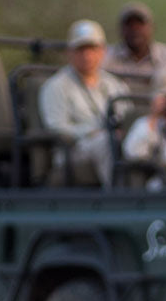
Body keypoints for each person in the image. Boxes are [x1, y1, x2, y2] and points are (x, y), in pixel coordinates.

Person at [38, 19, 128, 186]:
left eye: (92, 49)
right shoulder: (56, 86)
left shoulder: (115, 85)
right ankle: (119, 199)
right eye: (80, 50)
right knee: (105, 143)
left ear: (102, 51)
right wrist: (92, 131)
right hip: (74, 150)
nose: (87, 56)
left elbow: (126, 115)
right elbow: (57, 128)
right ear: (69, 53)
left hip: (111, 139)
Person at [103, 1, 166, 96]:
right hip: (114, 110)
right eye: (129, 25)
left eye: (140, 25)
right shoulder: (103, 58)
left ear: (152, 27)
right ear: (120, 29)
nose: (135, 30)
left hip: (160, 110)